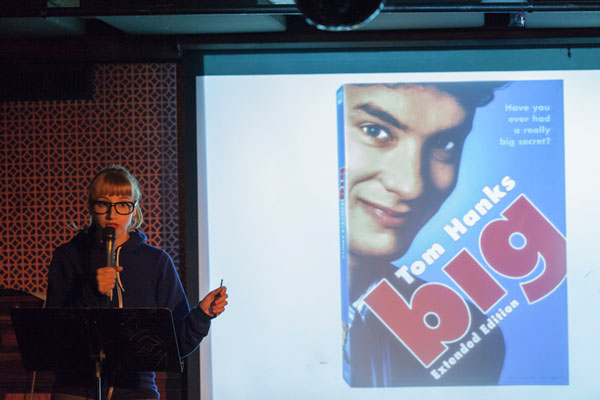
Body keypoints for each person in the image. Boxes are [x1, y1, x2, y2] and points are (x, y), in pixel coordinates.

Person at [341, 82, 506, 386]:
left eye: (445, 144)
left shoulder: (467, 342)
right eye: (375, 131)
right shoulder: (242, 311)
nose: (411, 186)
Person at [45, 165, 228, 400]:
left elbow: (177, 345)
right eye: (103, 204)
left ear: (135, 208)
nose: (113, 214)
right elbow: (52, 338)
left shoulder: (156, 261)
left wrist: (202, 315)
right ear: (91, 207)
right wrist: (92, 291)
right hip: (75, 389)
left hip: (136, 390)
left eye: (123, 204)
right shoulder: (68, 256)